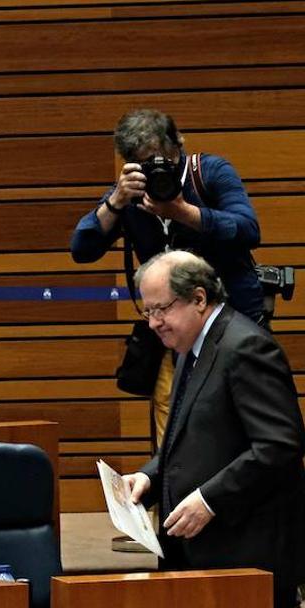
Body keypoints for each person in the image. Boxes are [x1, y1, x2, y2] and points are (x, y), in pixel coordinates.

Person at [123, 250, 305, 608]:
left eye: (163, 309)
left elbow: (280, 445)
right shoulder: (191, 347)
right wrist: (150, 476)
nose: (154, 322)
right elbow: (190, 435)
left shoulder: (246, 347)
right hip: (205, 555)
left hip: (247, 555)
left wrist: (209, 499)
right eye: (147, 311)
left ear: (199, 299)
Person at [71, 108, 265, 444]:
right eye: (144, 164)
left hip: (233, 325)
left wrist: (182, 212)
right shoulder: (130, 195)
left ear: (180, 146)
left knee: (244, 421)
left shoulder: (209, 172)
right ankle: (176, 496)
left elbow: (248, 229)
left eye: (162, 160)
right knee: (176, 435)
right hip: (172, 338)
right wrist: (116, 201)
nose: (157, 171)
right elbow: (82, 248)